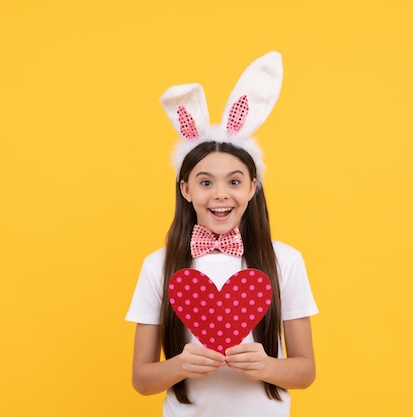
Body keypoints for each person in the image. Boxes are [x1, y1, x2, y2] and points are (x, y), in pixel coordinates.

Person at [125, 51, 318, 417]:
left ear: (253, 187)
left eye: (234, 181)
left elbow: (305, 370)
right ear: (185, 190)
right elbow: (141, 379)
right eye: (204, 182)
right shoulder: (158, 265)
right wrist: (180, 365)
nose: (220, 194)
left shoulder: (286, 261)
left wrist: (267, 366)